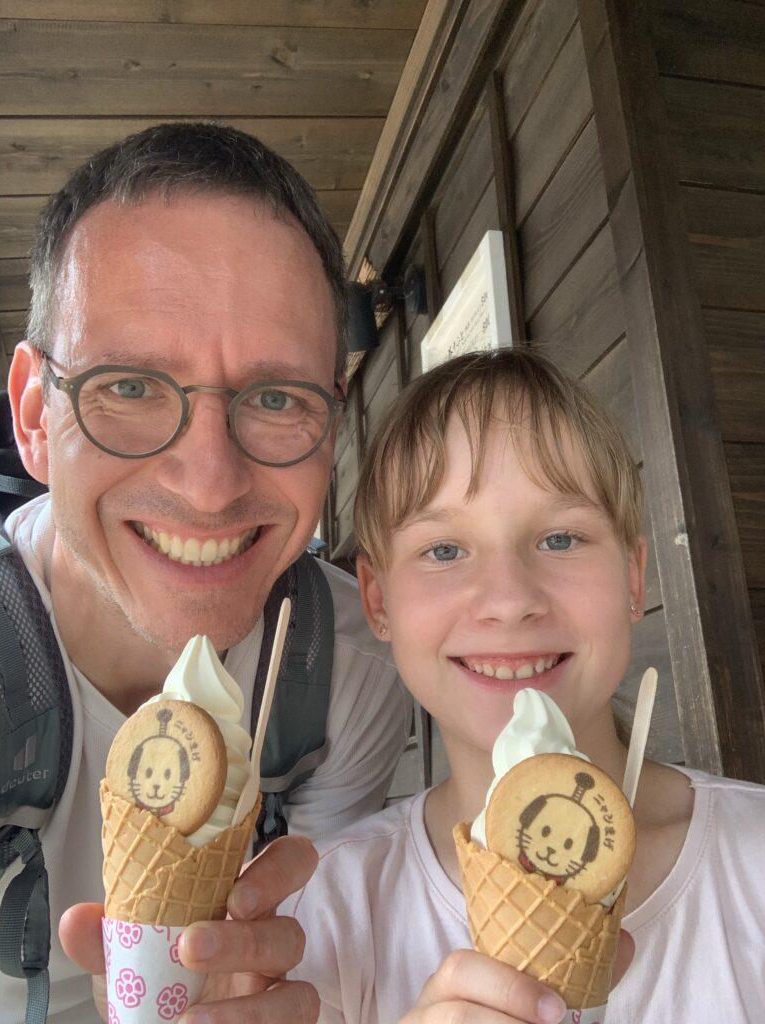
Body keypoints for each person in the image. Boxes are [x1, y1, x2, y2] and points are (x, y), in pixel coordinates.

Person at [0, 122, 410, 1024]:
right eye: (130, 386)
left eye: (276, 397)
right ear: (32, 416)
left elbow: (319, 961)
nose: (211, 484)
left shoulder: (348, 676)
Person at [282, 348, 765, 1023]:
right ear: (378, 600)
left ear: (633, 578)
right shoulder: (319, 919)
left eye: (561, 539)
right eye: (444, 550)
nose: (509, 600)